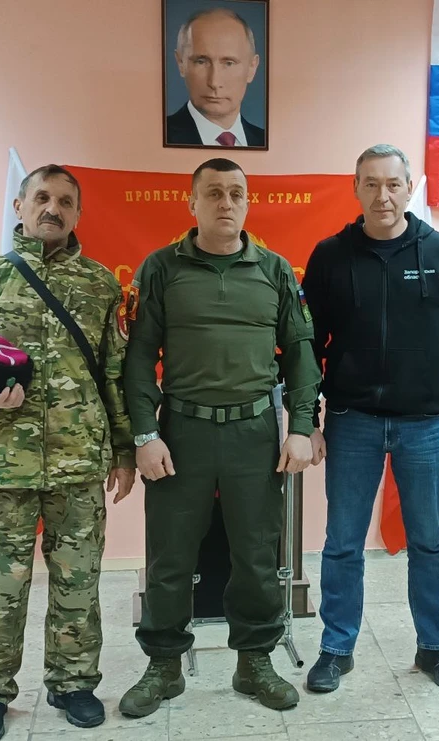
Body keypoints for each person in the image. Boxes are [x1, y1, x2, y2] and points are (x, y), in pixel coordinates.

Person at [0, 165, 136, 741]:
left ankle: (73, 683)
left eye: (65, 201)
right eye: (42, 197)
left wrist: (123, 452)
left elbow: (115, 375)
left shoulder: (100, 285)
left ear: (78, 213)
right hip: (0, 467)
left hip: (79, 464)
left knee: (77, 585)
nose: (52, 209)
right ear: (20, 205)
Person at [119, 157, 320, 717]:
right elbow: (139, 359)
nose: (226, 202)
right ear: (192, 202)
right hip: (180, 433)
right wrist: (144, 434)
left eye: (236, 193)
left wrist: (301, 427)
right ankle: (163, 667)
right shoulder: (160, 268)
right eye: (213, 192)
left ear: (248, 202)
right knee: (170, 557)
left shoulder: (275, 270)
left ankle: (254, 661)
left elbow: (301, 353)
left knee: (256, 556)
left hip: (254, 434)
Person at [300, 144, 439, 693]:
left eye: (393, 184)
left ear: (408, 188)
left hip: (425, 425)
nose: (383, 195)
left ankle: (435, 648)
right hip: (352, 421)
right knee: (342, 543)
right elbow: (308, 344)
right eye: (371, 183)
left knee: (428, 541)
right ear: (356, 189)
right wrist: (309, 419)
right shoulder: (330, 256)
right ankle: (336, 649)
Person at [165, 8, 265, 147]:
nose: (214, 82)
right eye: (201, 62)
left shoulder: (268, 141)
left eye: (229, 63)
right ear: (181, 63)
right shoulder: (153, 135)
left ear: (252, 68)